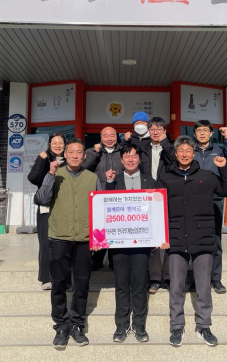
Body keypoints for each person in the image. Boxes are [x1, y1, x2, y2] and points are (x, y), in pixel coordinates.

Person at [157, 135, 227, 348]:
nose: (184, 154)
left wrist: (224, 168)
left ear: (194, 154)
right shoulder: (166, 177)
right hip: (175, 237)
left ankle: (204, 325)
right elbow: (156, 206)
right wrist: (160, 235)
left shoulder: (207, 176)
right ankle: (176, 325)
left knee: (203, 284)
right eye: (181, 151)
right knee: (176, 285)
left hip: (202, 237)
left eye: (188, 151)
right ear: (175, 154)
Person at [35, 138, 102, 349]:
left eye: (79, 152)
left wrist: (98, 238)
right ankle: (61, 326)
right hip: (59, 237)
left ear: (84, 155)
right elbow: (41, 199)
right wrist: (50, 174)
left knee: (81, 285)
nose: (74, 155)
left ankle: (77, 324)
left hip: (84, 239)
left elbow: (99, 209)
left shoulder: (92, 178)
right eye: (71, 152)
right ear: (64, 154)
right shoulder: (54, 174)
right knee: (58, 284)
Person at [103, 144, 162, 343]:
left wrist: (157, 236)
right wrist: (109, 183)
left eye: (134, 156)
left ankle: (139, 324)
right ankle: (121, 325)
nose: (130, 160)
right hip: (119, 242)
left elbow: (156, 210)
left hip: (141, 242)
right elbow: (105, 206)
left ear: (139, 159)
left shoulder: (150, 181)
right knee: (121, 284)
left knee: (139, 284)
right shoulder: (114, 180)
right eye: (127, 157)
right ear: (121, 160)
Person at [193, 120, 227, 294]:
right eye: (199, 130)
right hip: (194, 200)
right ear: (194, 133)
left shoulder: (218, 149)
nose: (202, 133)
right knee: (194, 240)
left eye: (205, 130)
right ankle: (195, 279)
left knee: (215, 240)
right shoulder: (190, 150)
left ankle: (216, 279)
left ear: (211, 133)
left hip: (215, 199)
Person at [134, 117, 174, 293]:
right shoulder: (143, 149)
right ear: (148, 131)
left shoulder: (171, 147)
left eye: (159, 129)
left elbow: (174, 162)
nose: (155, 132)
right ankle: (155, 278)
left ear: (164, 130)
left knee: (169, 238)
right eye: (152, 129)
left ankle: (170, 277)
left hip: (169, 196)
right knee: (152, 238)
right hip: (148, 198)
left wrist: (165, 144)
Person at [28, 133, 66, 291]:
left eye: (60, 142)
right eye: (54, 142)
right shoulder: (44, 159)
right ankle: (46, 278)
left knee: (64, 242)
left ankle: (63, 276)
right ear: (49, 144)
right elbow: (33, 178)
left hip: (64, 207)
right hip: (46, 206)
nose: (58, 145)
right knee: (45, 242)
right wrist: (40, 159)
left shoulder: (69, 160)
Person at [83, 126, 125, 270]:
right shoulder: (92, 151)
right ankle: (97, 259)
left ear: (116, 136)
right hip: (99, 195)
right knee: (100, 227)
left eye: (112, 135)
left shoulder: (123, 150)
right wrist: (95, 153)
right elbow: (84, 168)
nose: (109, 139)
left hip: (119, 196)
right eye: (105, 136)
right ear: (100, 137)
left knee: (116, 227)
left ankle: (114, 260)